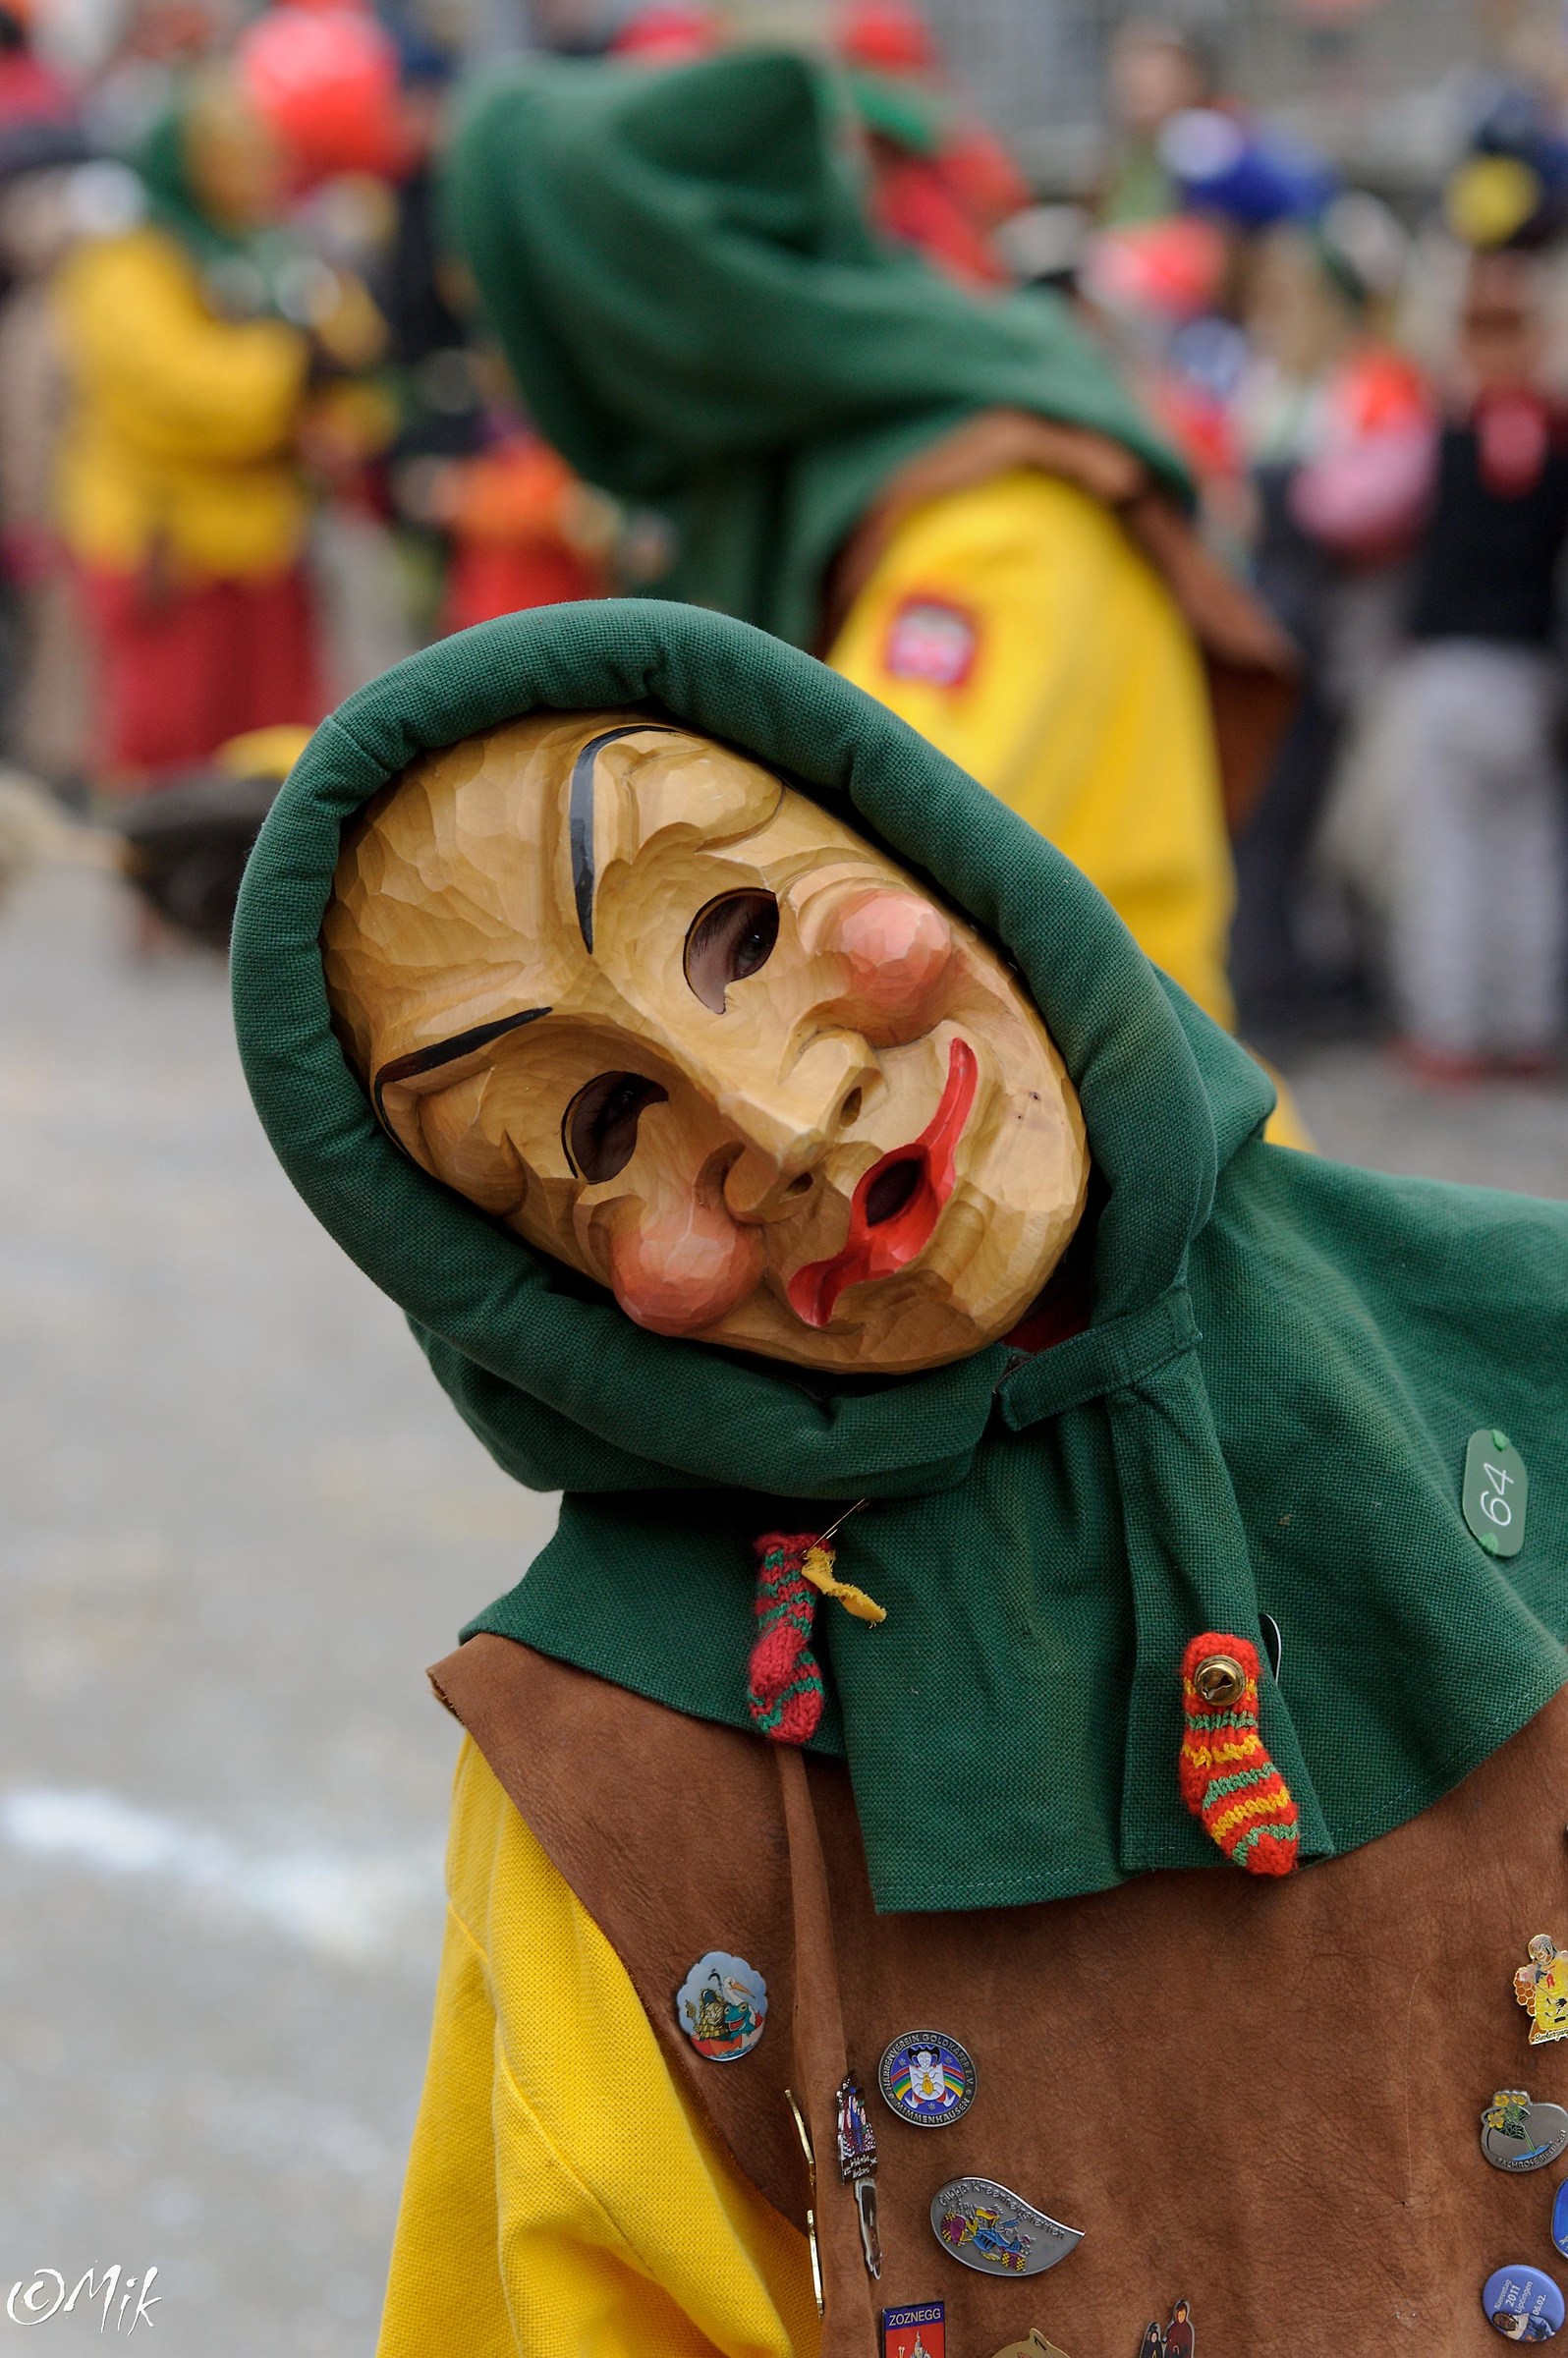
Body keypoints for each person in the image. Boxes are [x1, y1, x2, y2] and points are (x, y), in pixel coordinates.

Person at [233, 596, 1568, 2357]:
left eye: (737, 928)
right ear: (534, 1297)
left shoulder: (1518, 1337)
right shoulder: (623, 1751)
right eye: (603, 1137)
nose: (775, 1124)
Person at [442, 47, 1299, 1050]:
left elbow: (824, 877)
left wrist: (438, 834)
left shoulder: (998, 513)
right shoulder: (807, 490)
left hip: (1119, 1162)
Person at [51, 75, 327, 786]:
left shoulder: (266, 248)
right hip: (169, 547)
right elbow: (177, 393)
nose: (255, 168)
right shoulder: (128, 258)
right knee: (170, 752)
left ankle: (272, 896)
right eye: (227, 152)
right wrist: (294, 369)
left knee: (280, 745)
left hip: (265, 535)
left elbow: (351, 354)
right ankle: (166, 897)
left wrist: (334, 387)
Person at [1386, 248, 1568, 1080]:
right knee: (1528, 858)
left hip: (1451, 667)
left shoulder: (1435, 430)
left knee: (1449, 858)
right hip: (1526, 670)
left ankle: (1451, 1030)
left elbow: (1341, 508)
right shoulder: (1553, 435)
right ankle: (1526, 1026)